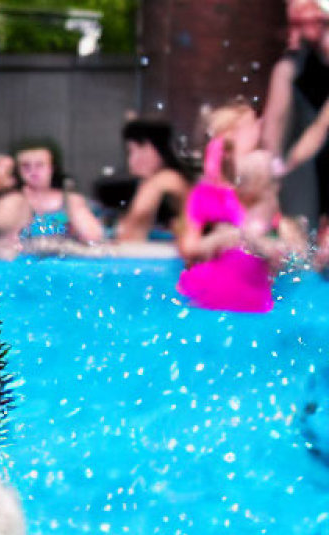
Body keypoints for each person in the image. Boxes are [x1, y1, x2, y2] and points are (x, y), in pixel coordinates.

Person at [177, 147, 306, 313]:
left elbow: (293, 255)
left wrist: (256, 241)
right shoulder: (224, 214)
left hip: (238, 303)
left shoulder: (277, 224)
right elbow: (193, 250)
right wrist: (218, 241)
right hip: (210, 297)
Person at [261, 0, 329, 228]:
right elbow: (275, 122)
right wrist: (273, 168)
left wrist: (284, 167)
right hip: (304, 155)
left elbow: (319, 130)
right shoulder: (291, 67)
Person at [13, 139, 104, 246]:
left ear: (51, 168)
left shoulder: (71, 200)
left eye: (40, 165)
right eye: (26, 166)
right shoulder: (12, 202)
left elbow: (94, 238)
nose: (33, 171)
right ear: (18, 171)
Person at [113, 118, 191, 242]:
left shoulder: (167, 179)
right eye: (131, 151)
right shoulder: (154, 182)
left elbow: (129, 235)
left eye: (142, 148)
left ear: (161, 148)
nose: (135, 158)